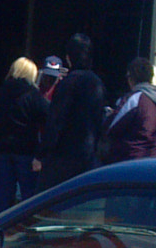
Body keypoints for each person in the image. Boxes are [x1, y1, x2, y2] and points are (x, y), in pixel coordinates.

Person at [34, 33, 107, 185]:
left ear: (69, 57)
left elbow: (56, 122)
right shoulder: (97, 83)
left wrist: (42, 154)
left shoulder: (68, 84)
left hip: (64, 158)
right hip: (88, 156)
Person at [0, 57, 48, 215]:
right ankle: (26, 227)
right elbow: (48, 120)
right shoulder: (33, 95)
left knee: (2, 193)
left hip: (0, 149)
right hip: (25, 151)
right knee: (28, 195)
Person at [100, 56, 156, 164]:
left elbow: (112, 127)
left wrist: (107, 116)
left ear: (132, 78)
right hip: (153, 158)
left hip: (132, 159)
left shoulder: (135, 98)